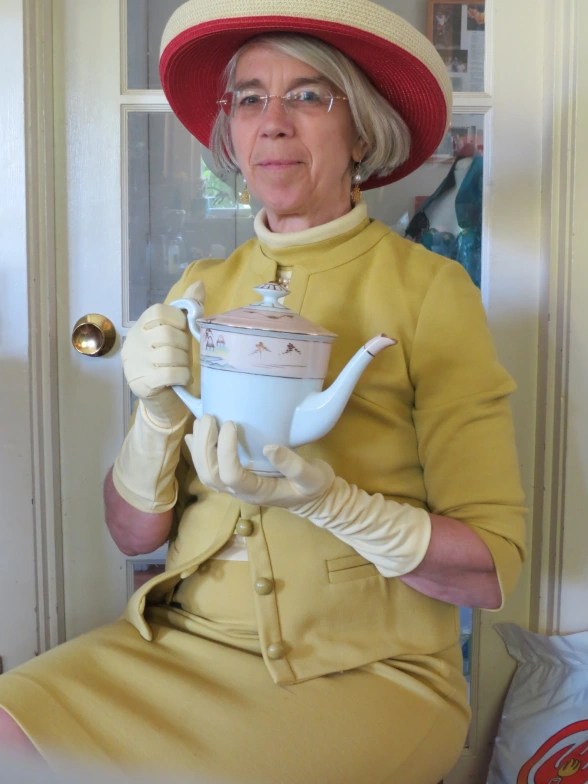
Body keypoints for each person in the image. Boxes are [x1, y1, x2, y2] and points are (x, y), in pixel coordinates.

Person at [0, 0, 526, 781]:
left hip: (367, 671)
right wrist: (154, 418)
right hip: (180, 643)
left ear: (361, 133)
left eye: (308, 95)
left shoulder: (429, 292)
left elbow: (490, 567)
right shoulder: (200, 288)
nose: (273, 122)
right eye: (250, 99)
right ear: (234, 132)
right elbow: (133, 536)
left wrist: (333, 504)